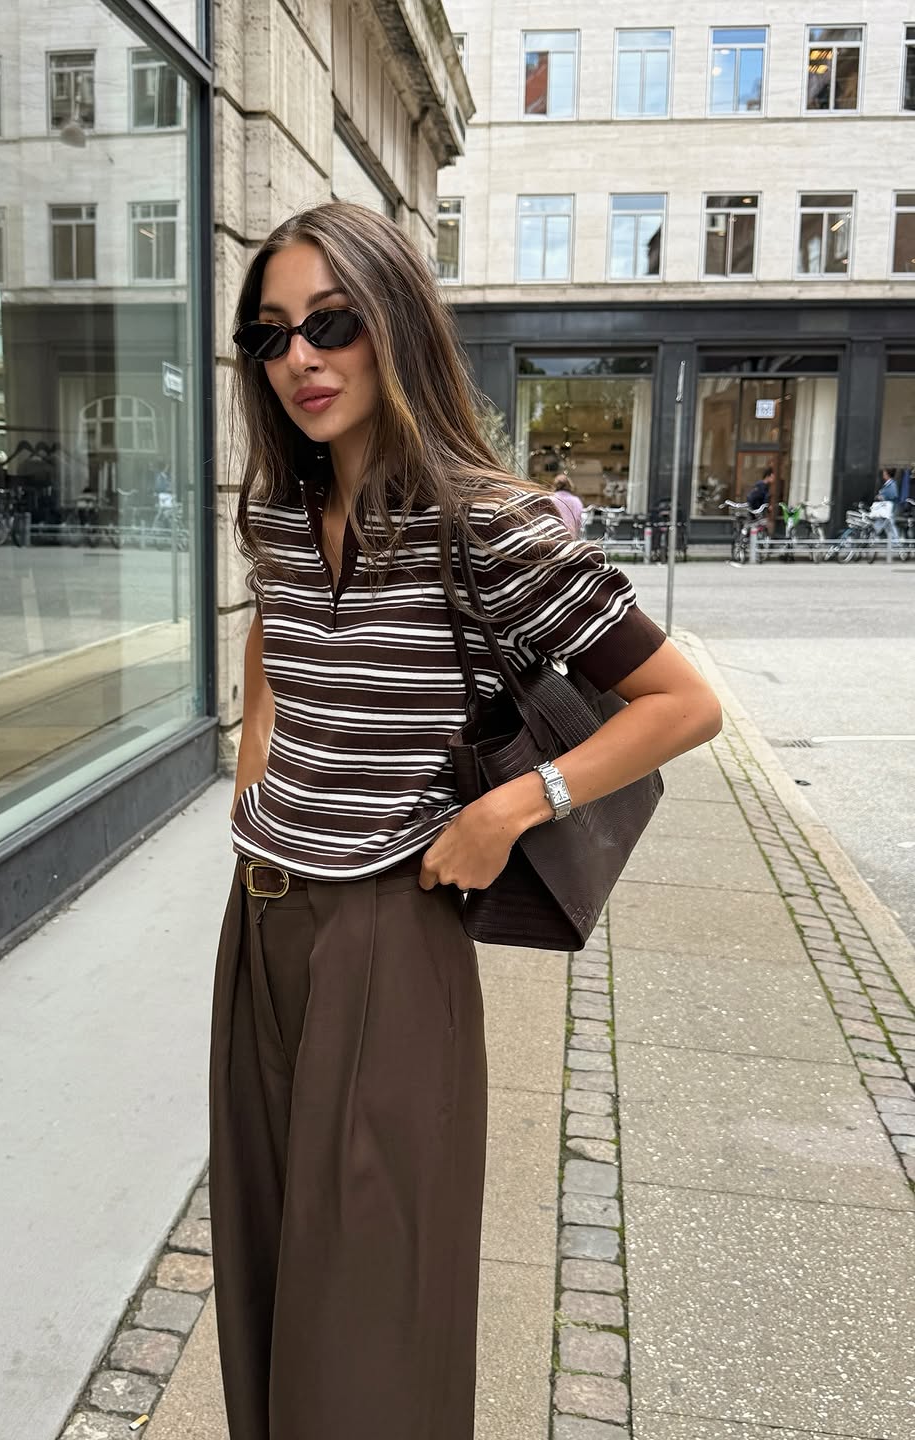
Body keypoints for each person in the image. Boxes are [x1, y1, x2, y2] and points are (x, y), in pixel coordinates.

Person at [211, 200, 722, 1440]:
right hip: (261, 928)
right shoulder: (277, 507)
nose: (302, 359)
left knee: (374, 1303)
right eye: (271, 334)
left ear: (396, 325)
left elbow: (683, 703)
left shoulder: (481, 524)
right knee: (266, 1263)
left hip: (391, 935)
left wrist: (514, 804)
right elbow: (279, 633)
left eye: (332, 322)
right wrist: (257, 754)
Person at [551, 470, 584, 537]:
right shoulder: (576, 501)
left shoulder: (551, 499)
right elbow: (579, 521)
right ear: (569, 485)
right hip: (571, 536)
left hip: (554, 537)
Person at [874, 466, 901, 543]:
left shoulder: (892, 484)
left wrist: (882, 496)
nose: (883, 474)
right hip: (886, 510)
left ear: (887, 474)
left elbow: (893, 495)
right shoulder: (889, 484)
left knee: (886, 526)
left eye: (884, 473)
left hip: (889, 509)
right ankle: (896, 544)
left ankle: (897, 544)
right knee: (888, 526)